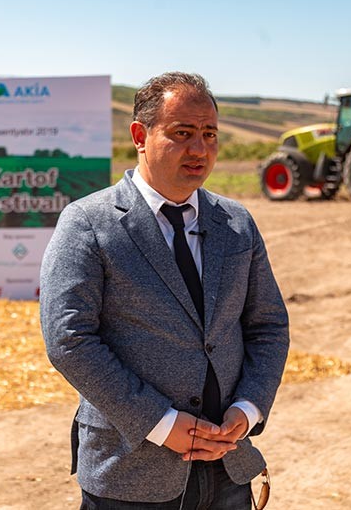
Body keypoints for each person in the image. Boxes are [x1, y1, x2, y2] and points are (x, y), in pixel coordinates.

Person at [40, 72, 289, 509]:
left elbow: (268, 325)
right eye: (182, 133)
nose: (200, 149)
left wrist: (249, 408)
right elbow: (69, 340)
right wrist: (159, 422)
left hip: (228, 467)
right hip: (131, 474)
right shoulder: (88, 223)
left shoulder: (236, 223)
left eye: (209, 134)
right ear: (140, 135)